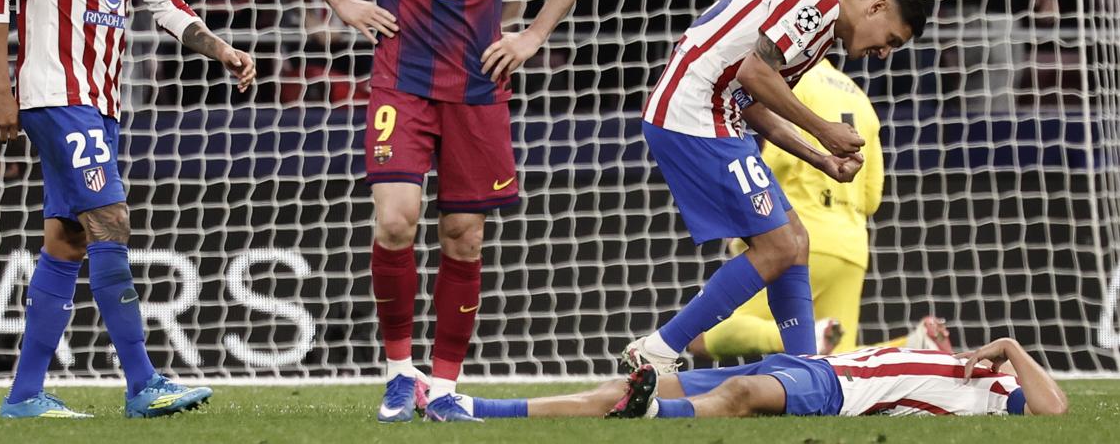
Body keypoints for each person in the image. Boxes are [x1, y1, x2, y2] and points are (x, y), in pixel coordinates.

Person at [272, 0, 596, 423]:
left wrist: (532, 35)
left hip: (479, 86)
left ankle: (444, 387)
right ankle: (400, 374)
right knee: (396, 221)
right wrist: (342, 2)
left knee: (463, 237)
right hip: (403, 80)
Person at [0, 0, 256, 419]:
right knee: (111, 221)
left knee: (68, 239)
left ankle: (24, 396)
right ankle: (142, 382)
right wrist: (1, 88)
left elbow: (167, 4)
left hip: (101, 104)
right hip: (57, 95)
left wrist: (220, 48)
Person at [625, 0, 927, 373]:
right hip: (694, 115)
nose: (885, 52)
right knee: (779, 247)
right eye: (891, 39)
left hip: (718, 116)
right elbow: (754, 74)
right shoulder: (818, 3)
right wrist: (824, 130)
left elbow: (752, 100)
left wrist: (820, 157)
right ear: (877, 7)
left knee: (797, 241)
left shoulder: (819, 32)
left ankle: (803, 368)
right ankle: (659, 349)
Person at [686, 58, 949, 360]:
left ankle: (800, 334)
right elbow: (871, 198)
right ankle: (913, 345)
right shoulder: (860, 99)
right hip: (850, 246)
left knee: (700, 335)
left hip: (795, 237)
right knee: (836, 363)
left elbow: (779, 160)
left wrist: (746, 220)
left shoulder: (793, 84)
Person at [457, 337, 1068, 420]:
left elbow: (1056, 410)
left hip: (837, 394)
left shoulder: (999, 402)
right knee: (625, 386)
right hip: (813, 366)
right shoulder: (970, 369)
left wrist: (1013, 348)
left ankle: (652, 414)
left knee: (741, 397)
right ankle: (476, 407)